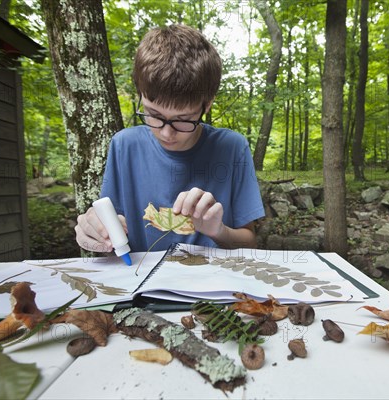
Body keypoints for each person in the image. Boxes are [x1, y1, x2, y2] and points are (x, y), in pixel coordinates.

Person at [74, 24, 265, 253]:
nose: (166, 133)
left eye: (183, 119)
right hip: (140, 282)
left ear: (207, 104)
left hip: (213, 284)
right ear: (140, 96)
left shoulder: (232, 148)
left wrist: (218, 230)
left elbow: (250, 242)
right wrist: (92, 232)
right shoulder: (124, 146)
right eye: (154, 115)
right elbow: (108, 232)